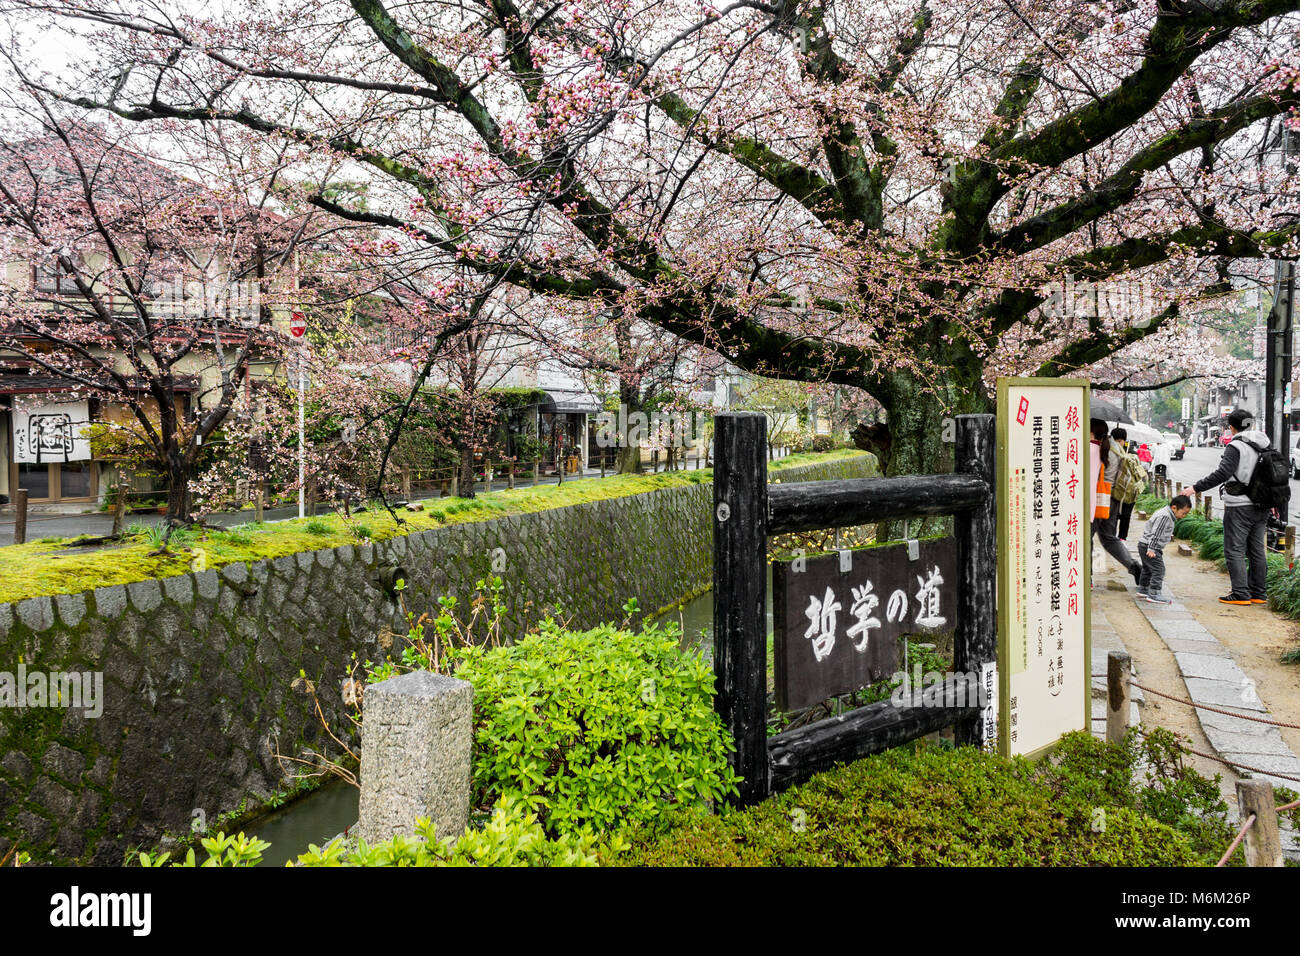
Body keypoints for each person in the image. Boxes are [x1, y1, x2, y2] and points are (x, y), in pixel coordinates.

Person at [1182, 408, 1274, 605]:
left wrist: (1196, 488)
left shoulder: (1236, 445)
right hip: (1262, 503)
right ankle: (1258, 593)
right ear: (1251, 424)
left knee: (1234, 549)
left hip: (1240, 504)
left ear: (1231, 427)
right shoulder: (1265, 442)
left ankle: (1241, 594)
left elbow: (1223, 473)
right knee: (1257, 549)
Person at [1091, 418, 1141, 585]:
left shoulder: (1097, 449)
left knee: (1085, 537)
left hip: (1098, 497)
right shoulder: (1117, 448)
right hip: (1113, 499)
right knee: (1109, 537)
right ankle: (1134, 567)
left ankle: (1086, 576)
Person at [1137, 494, 1193, 604]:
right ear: (1174, 508)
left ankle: (1143, 589)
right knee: (1159, 569)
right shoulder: (1165, 516)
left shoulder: (1165, 513)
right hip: (1150, 547)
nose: (1184, 516)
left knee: (1148, 568)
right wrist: (1152, 549)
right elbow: (1156, 533)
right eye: (1184, 513)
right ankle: (1154, 594)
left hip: (1144, 545)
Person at [1109, 426, 1144, 541]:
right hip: (1115, 490)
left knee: (1126, 515)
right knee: (1113, 515)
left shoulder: (1133, 454)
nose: (1118, 444)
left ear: (1124, 441)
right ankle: (1112, 537)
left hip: (1130, 490)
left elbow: (1139, 472)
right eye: (1115, 441)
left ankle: (1122, 538)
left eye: (1120, 441)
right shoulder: (1110, 453)